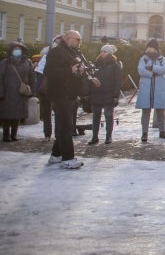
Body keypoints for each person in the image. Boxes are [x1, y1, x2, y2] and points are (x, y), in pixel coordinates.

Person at [45, 30, 86, 169]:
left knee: (64, 126)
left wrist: (80, 72)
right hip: (60, 94)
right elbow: (49, 71)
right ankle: (68, 158)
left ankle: (56, 155)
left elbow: (75, 71)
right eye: (77, 39)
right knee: (66, 127)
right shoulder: (57, 52)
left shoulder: (74, 52)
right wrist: (71, 71)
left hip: (71, 94)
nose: (79, 42)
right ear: (68, 39)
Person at [0, 41, 35, 143]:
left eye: (18, 49)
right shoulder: (4, 63)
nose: (17, 51)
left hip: (21, 93)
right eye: (14, 49)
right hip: (7, 93)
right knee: (6, 115)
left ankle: (14, 135)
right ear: (11, 51)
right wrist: (1, 93)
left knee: (17, 115)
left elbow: (32, 78)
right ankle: (6, 135)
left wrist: (32, 92)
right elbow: (0, 78)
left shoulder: (27, 62)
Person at [87, 44, 121, 145]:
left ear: (110, 53)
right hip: (96, 93)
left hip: (109, 94)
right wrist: (88, 92)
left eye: (105, 52)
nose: (102, 53)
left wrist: (115, 95)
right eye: (101, 51)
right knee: (96, 116)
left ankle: (108, 136)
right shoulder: (96, 64)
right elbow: (90, 78)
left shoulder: (115, 65)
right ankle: (94, 137)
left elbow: (117, 81)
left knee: (108, 115)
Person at [136, 38, 165, 141]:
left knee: (161, 111)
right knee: (145, 111)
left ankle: (162, 131)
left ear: (156, 48)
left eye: (151, 47)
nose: (149, 49)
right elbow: (141, 70)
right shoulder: (143, 59)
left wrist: (152, 68)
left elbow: (164, 69)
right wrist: (152, 73)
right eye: (148, 47)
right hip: (146, 89)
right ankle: (144, 133)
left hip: (159, 89)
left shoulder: (162, 59)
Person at [34, 42, 56, 141]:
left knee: (48, 113)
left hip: (49, 91)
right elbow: (39, 77)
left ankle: (48, 135)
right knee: (49, 113)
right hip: (48, 90)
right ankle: (49, 134)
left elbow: (38, 77)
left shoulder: (44, 61)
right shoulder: (44, 61)